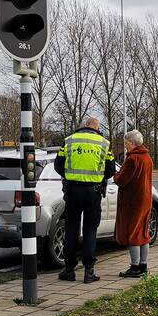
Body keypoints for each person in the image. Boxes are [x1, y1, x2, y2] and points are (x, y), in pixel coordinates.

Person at [55, 116, 115, 283]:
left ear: (85, 126)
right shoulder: (104, 143)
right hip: (93, 192)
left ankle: (69, 270)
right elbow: (110, 170)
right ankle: (89, 272)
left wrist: (69, 177)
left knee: (71, 229)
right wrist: (97, 177)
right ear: (97, 128)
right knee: (90, 230)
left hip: (73, 191)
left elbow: (58, 165)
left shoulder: (69, 141)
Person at [114, 130, 153, 278]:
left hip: (133, 201)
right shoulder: (147, 157)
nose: (125, 146)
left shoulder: (132, 159)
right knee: (143, 232)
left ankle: (135, 267)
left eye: (126, 143)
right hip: (145, 199)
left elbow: (121, 180)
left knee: (133, 233)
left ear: (132, 143)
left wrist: (115, 174)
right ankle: (143, 265)